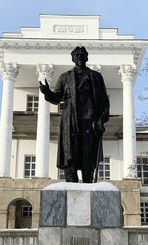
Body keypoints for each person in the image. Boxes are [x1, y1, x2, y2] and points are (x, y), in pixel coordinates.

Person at [39, 46, 110, 183]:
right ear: (72, 58)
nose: (79, 56)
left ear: (87, 57)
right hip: (70, 121)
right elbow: (57, 98)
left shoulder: (95, 77)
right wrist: (47, 92)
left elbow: (104, 103)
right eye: (77, 54)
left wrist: (101, 120)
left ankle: (88, 185)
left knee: (88, 156)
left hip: (89, 121)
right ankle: (71, 186)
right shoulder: (65, 77)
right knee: (69, 154)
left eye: (82, 54)